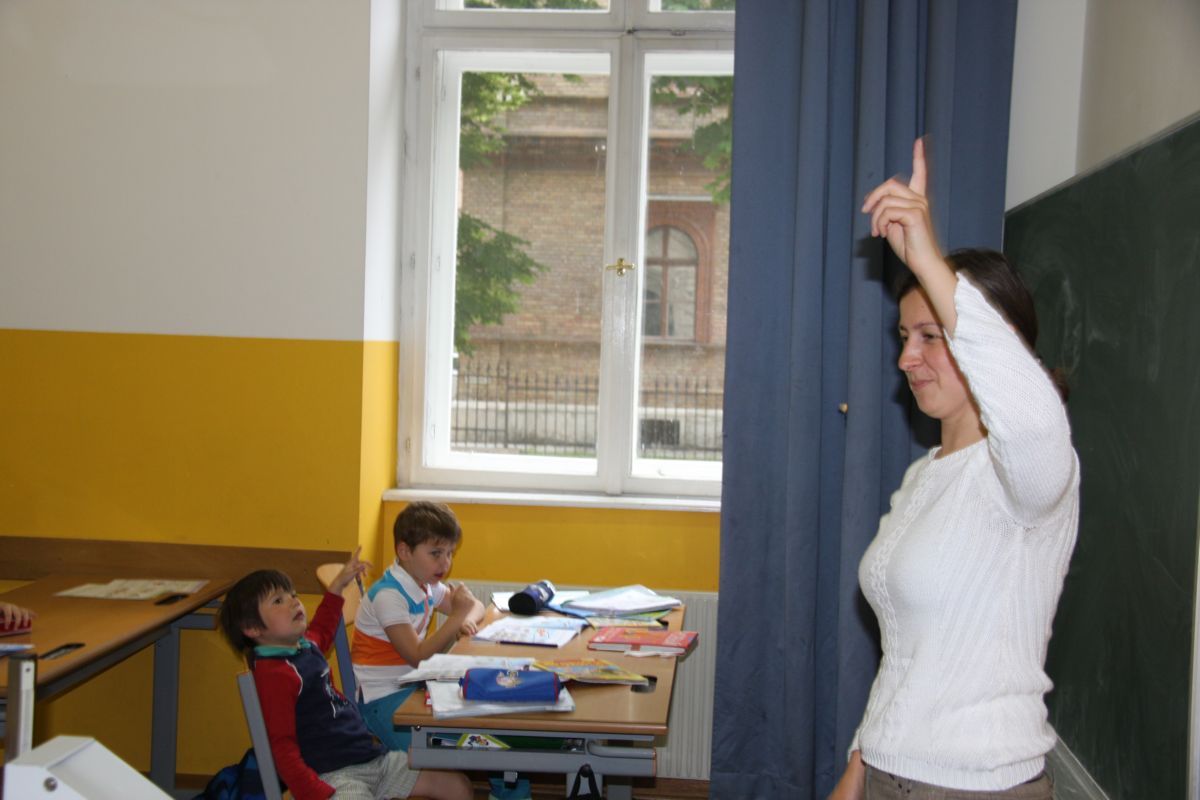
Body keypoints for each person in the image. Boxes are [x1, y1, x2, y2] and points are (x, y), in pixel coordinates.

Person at [829, 139, 1079, 800]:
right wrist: (858, 764)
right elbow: (907, 654)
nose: (906, 358)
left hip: (977, 786)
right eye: (903, 337)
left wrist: (928, 260)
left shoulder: (1030, 478)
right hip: (889, 772)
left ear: (991, 344)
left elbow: (1033, 412)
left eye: (930, 336)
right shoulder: (925, 477)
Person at [217, 548, 472, 800]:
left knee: (457, 786)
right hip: (333, 776)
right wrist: (314, 793)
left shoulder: (304, 646)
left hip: (371, 759)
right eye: (278, 601)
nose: (294, 601)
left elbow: (324, 627)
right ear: (252, 628)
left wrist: (338, 585)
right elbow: (281, 748)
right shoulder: (274, 675)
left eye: (292, 595)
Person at [352, 501, 485, 750]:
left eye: (450, 553)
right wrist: (457, 616)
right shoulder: (389, 596)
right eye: (436, 553)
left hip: (412, 685)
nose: (445, 563)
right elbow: (418, 657)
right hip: (382, 699)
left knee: (479, 718)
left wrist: (465, 618)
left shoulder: (425, 584)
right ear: (404, 551)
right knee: (453, 747)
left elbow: (475, 606)